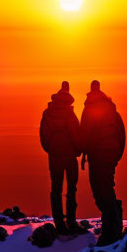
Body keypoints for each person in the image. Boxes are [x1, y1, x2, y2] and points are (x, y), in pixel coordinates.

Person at [80, 79, 126, 245]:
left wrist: (83, 151)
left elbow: (84, 133)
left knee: (100, 192)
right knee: (107, 188)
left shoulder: (89, 109)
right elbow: (122, 135)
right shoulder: (114, 111)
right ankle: (113, 227)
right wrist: (116, 155)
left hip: (97, 156)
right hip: (110, 156)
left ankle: (111, 232)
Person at [38, 81, 83, 235]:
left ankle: (59, 223)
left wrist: (51, 150)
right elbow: (75, 135)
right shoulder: (69, 115)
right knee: (71, 189)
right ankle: (71, 221)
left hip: (54, 157)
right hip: (69, 156)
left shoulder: (47, 113)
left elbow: (43, 136)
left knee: (55, 189)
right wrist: (78, 151)